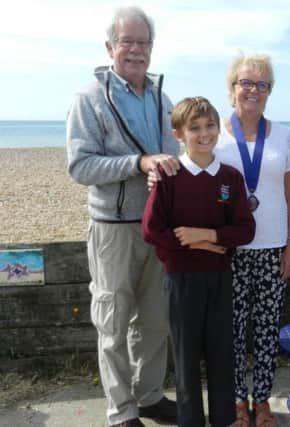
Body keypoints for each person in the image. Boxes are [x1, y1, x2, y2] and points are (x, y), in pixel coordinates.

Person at [148, 53, 290, 427]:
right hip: (225, 254)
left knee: (266, 329)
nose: (253, 90)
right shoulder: (216, 132)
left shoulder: (283, 135)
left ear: (270, 92)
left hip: (271, 247)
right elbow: (187, 166)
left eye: (262, 84)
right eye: (246, 83)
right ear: (232, 89)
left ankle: (262, 401)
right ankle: (234, 402)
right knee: (228, 334)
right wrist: (157, 170)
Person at [66, 6, 179, 427]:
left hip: (158, 229)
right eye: (127, 42)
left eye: (143, 42)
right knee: (112, 321)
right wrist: (140, 163)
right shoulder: (88, 99)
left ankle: (149, 396)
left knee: (155, 321)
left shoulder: (160, 97)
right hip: (112, 231)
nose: (135, 50)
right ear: (109, 47)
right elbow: (80, 167)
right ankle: (121, 410)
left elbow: (174, 156)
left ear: (152, 48)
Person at [142, 97, 256, 427]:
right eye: (194, 128)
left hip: (220, 278)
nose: (204, 134)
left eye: (209, 126)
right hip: (181, 281)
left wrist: (204, 236)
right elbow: (152, 230)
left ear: (218, 130)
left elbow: (245, 229)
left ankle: (224, 420)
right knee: (186, 359)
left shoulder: (230, 178)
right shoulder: (168, 175)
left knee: (222, 355)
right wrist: (190, 243)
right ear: (178, 134)